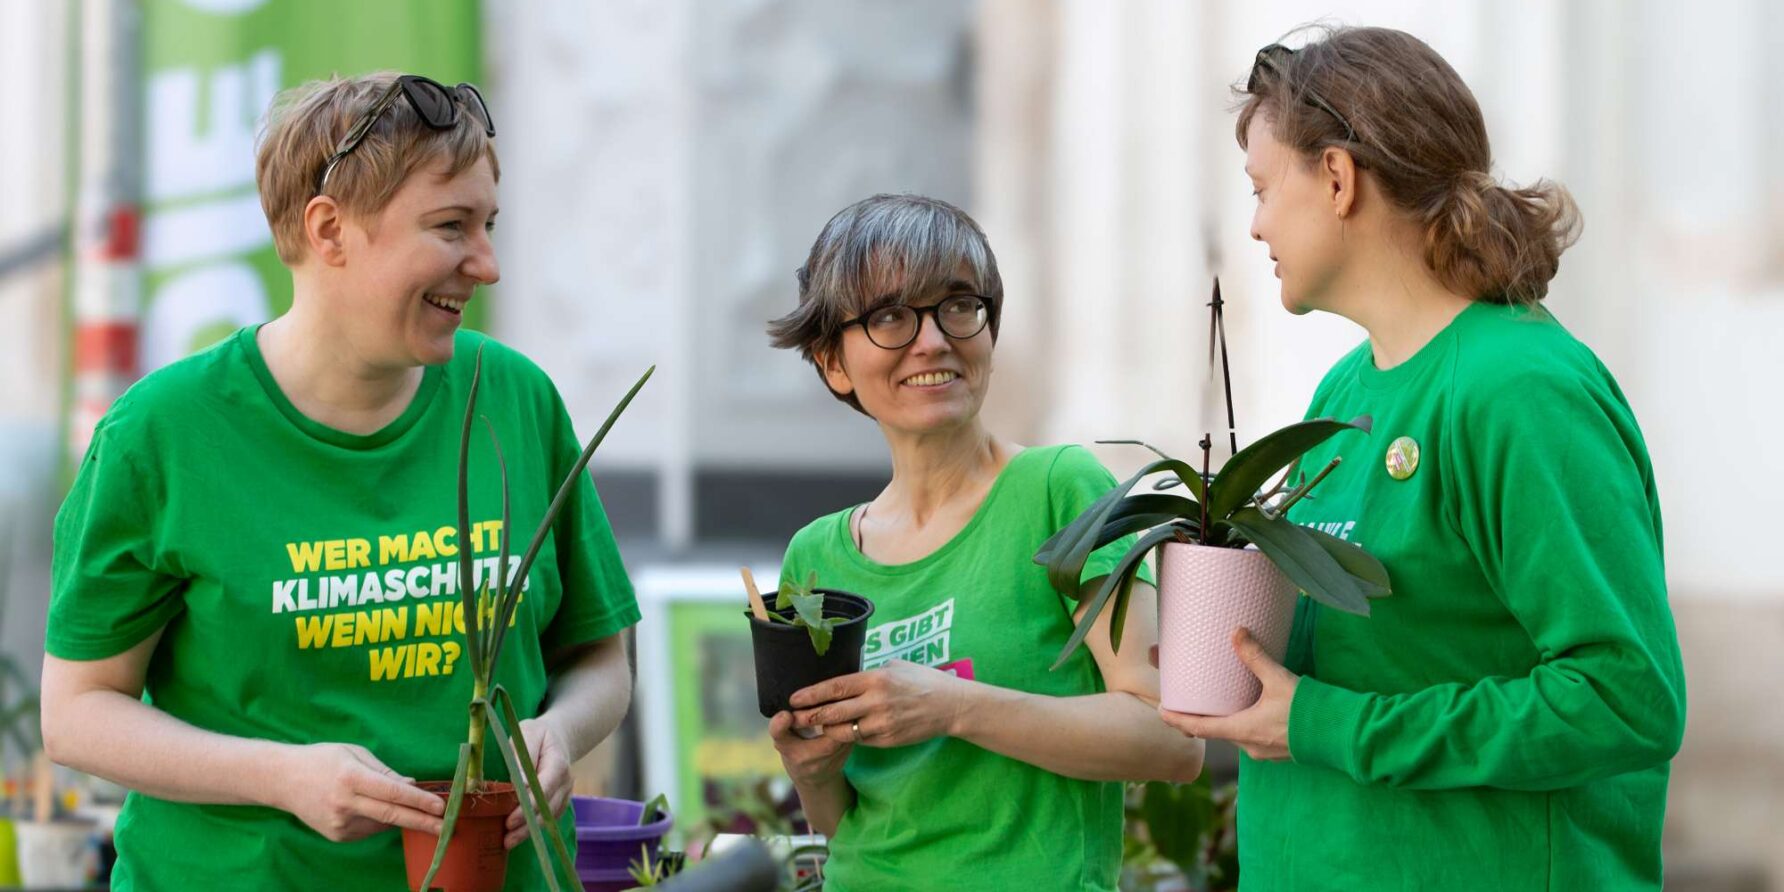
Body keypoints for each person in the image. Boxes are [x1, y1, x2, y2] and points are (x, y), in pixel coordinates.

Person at [41, 73, 639, 890]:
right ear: (330, 230)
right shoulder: (163, 434)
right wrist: (280, 776)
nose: (488, 264)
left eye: (489, 224)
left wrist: (561, 735)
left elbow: (601, 656)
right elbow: (77, 713)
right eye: (451, 226)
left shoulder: (514, 398)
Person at [1157, 27, 1686, 890]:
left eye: (1261, 188)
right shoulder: (1343, 393)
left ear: (1337, 178)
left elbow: (1626, 698)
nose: (1253, 225)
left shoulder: (1520, 391)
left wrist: (1331, 725)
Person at [764, 194, 1204, 891]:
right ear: (833, 363)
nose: (933, 339)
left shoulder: (1060, 489)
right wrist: (810, 770)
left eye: (958, 305)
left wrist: (953, 706)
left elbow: (1172, 740)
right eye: (889, 317)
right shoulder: (813, 557)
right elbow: (849, 824)